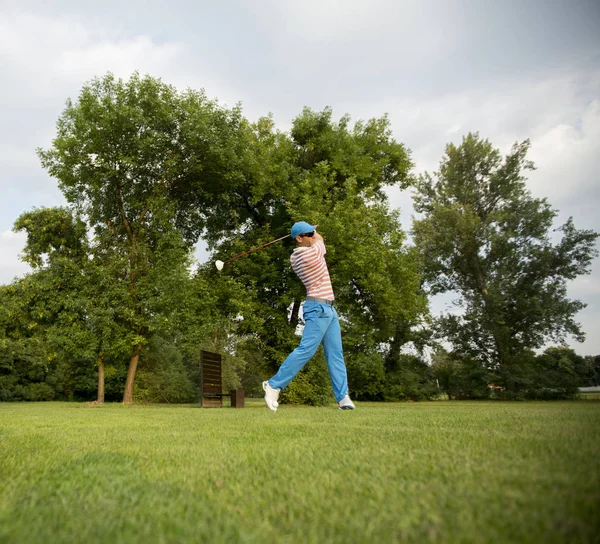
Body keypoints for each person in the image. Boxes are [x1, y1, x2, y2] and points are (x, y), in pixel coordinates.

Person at [263, 221, 355, 412]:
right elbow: (321, 242)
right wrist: (316, 235)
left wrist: (310, 232)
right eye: (309, 233)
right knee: (306, 350)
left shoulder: (305, 249)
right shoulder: (304, 255)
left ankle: (343, 397)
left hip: (329, 308)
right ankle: (273, 385)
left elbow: (316, 242)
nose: (313, 235)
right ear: (298, 239)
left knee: (335, 354)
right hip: (317, 308)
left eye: (313, 232)